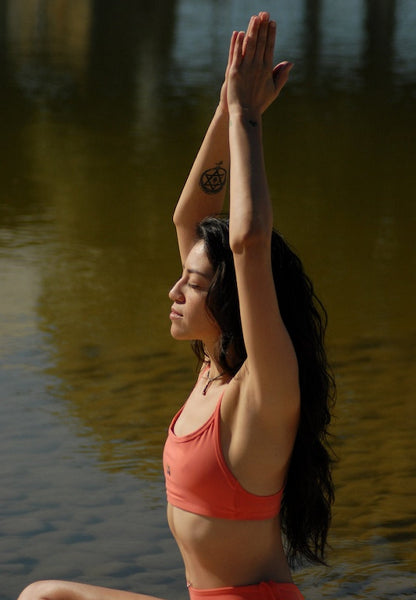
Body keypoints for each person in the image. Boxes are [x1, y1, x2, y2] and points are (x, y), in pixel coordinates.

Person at [18, 12, 334, 600]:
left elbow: (248, 241)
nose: (173, 290)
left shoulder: (264, 390)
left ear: (226, 296)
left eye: (190, 283)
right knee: (46, 595)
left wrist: (246, 121)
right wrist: (225, 108)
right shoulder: (214, 358)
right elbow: (192, 217)